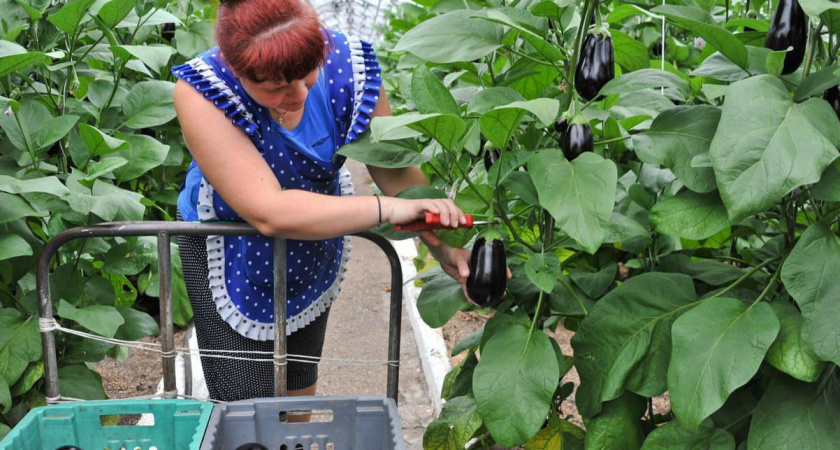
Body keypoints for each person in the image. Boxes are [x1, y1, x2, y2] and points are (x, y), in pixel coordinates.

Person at [170, 0, 475, 406]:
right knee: (242, 398)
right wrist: (384, 210)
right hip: (227, 248)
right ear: (235, 66)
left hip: (314, 234)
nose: (296, 94)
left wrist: (444, 246)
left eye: (306, 75)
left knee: (299, 373)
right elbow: (269, 210)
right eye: (275, 86)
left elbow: (395, 171)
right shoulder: (203, 89)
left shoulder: (350, 65)